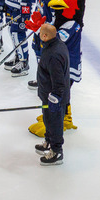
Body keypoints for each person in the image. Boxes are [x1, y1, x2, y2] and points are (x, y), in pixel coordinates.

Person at [32, 23, 70, 165]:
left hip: (54, 98)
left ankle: (56, 151)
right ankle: (49, 141)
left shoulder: (53, 55)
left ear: (45, 36)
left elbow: (59, 80)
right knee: (48, 120)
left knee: (55, 123)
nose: (39, 34)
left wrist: (56, 98)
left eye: (40, 32)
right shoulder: (54, 44)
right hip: (48, 94)